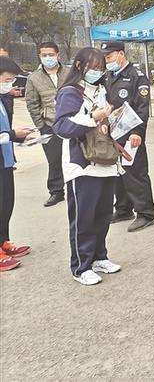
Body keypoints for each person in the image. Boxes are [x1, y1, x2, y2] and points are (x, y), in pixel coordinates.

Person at [53, 48, 121, 285]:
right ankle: (81, 266)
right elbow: (62, 127)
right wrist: (93, 117)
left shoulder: (102, 90)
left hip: (105, 162)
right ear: (79, 66)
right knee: (84, 217)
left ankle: (99, 256)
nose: (98, 72)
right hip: (82, 165)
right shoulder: (70, 92)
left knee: (102, 214)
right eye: (93, 67)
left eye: (101, 68)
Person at [102, 41, 154, 232]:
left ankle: (145, 213)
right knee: (118, 172)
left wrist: (137, 132)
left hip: (131, 133)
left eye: (109, 57)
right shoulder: (109, 75)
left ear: (121, 54)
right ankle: (123, 209)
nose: (107, 61)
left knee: (135, 172)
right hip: (113, 133)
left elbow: (142, 107)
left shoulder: (136, 76)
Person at [25, 41, 70, 207]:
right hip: (49, 124)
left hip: (72, 122)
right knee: (54, 159)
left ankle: (78, 187)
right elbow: (32, 103)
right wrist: (41, 126)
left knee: (76, 156)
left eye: (51, 54)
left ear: (58, 55)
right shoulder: (33, 78)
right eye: (44, 55)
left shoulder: (70, 73)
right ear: (39, 56)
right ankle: (56, 191)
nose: (48, 58)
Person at [0, 57, 33, 272]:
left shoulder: (3, 99)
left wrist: (19, 137)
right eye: (6, 80)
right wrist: (13, 135)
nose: (10, 84)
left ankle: (3, 241)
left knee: (6, 203)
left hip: (5, 160)